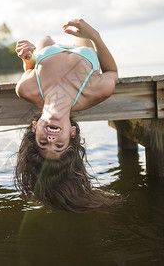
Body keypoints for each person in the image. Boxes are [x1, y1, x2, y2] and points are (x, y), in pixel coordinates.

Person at [14, 18, 120, 212]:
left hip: (48, 53)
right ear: (72, 132)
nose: (51, 139)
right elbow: (112, 71)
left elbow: (30, 69)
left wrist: (27, 57)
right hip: (85, 51)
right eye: (59, 145)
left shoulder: (27, 90)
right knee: (82, 41)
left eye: (44, 143)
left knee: (45, 40)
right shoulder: (95, 91)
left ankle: (44, 48)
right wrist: (94, 36)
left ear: (34, 128)